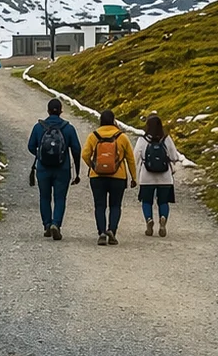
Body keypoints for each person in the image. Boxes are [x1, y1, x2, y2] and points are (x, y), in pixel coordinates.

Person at [26, 98, 81, 240]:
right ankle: (56, 223)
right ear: (61, 111)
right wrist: (77, 170)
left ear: (48, 111)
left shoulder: (39, 127)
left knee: (44, 197)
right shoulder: (68, 128)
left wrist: (41, 155)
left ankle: (46, 225)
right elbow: (76, 149)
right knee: (60, 198)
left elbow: (31, 146)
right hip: (62, 169)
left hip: (43, 169)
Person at [81, 110, 137, 246]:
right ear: (113, 120)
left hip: (97, 177)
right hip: (118, 176)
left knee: (100, 206)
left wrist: (93, 166)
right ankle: (112, 230)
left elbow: (85, 154)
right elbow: (130, 158)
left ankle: (101, 232)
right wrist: (133, 177)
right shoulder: (122, 137)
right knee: (115, 205)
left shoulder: (93, 136)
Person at [133, 113, 189, 237]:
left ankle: (149, 219)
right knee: (163, 202)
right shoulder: (166, 139)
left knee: (146, 201)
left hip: (146, 178)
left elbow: (135, 157)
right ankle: (163, 219)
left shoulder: (142, 140)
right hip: (165, 178)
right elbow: (174, 157)